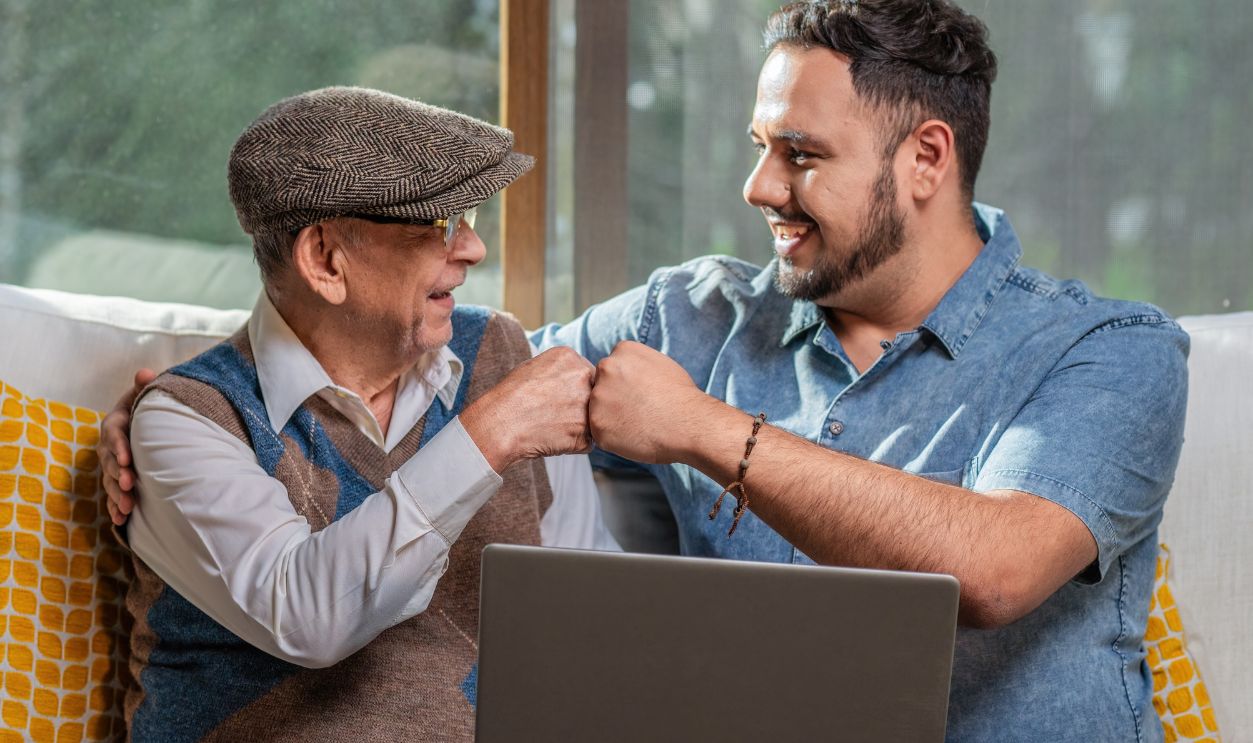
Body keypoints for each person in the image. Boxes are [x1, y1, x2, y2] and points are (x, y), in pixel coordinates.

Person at [105, 1, 1188, 739]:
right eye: (759, 145)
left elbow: (993, 569)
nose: (758, 187)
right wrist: (184, 394)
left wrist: (704, 430)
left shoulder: (1108, 352)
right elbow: (405, 348)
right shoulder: (687, 313)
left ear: (925, 160)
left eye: (800, 155)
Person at [110, 86, 616, 742]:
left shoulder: (501, 354)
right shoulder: (186, 421)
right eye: (438, 224)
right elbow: (309, 615)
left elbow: (589, 606)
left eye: (469, 219)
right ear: (324, 259)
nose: (472, 249)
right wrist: (489, 433)